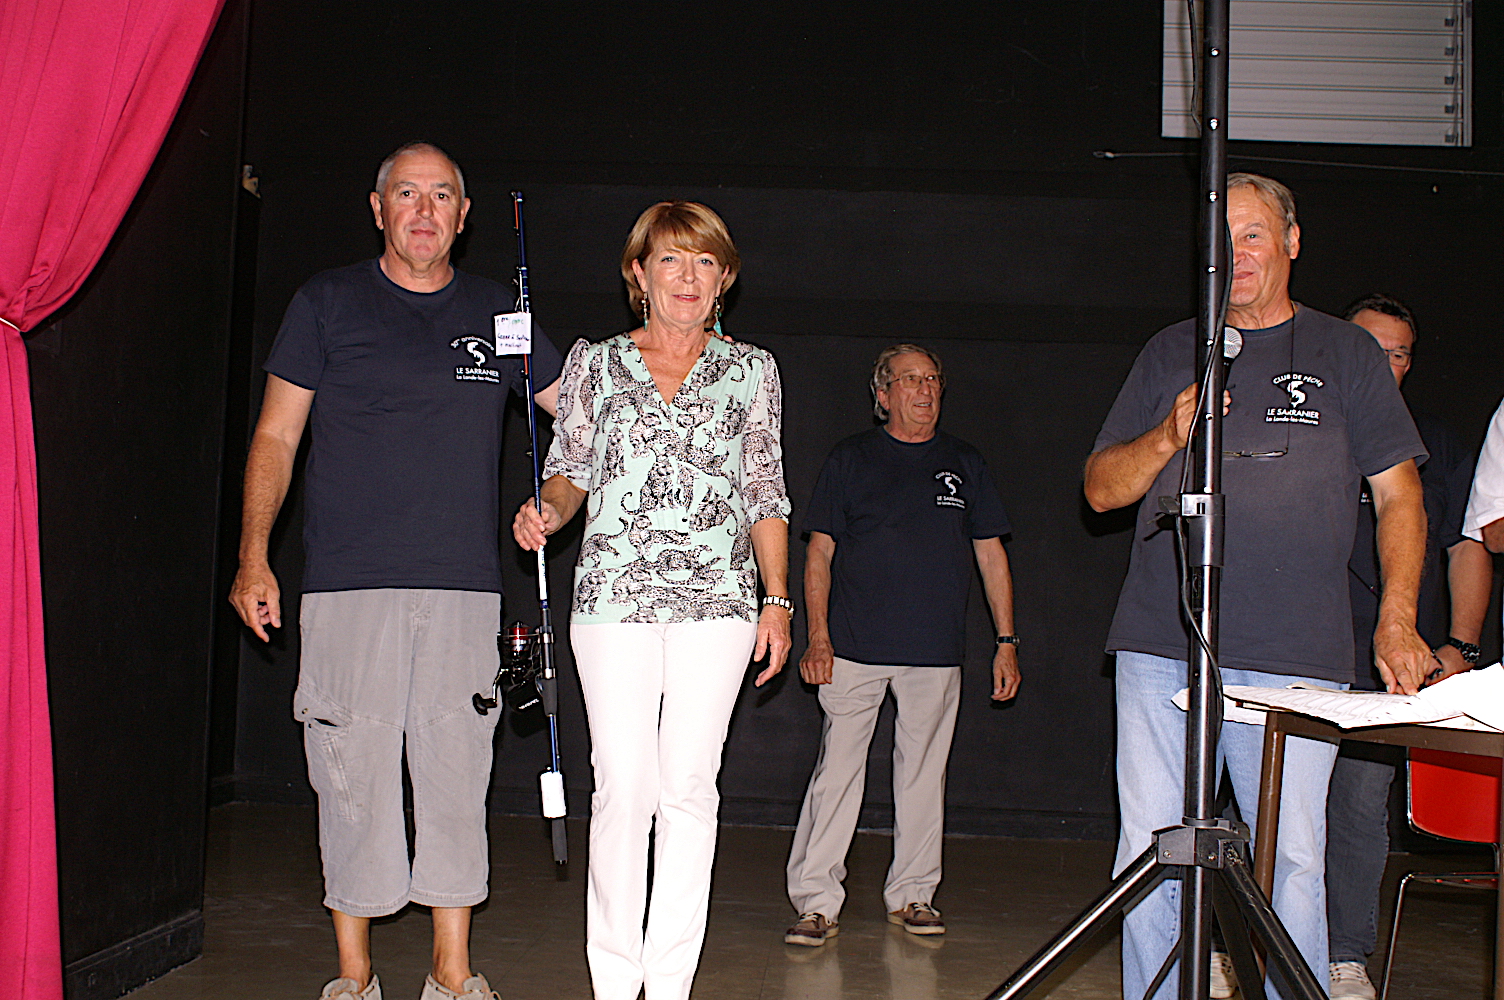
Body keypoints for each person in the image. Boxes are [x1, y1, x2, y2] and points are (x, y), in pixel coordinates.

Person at [1083, 173, 1431, 1000]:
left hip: (1294, 651)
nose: (1236, 253)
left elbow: (1401, 496)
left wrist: (1397, 620)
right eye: (1222, 237)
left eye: (1253, 234)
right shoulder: (1171, 348)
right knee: (1152, 848)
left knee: (1291, 856)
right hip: (1163, 645)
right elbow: (1100, 489)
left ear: (1292, 243)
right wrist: (1170, 432)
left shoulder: (1347, 353)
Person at [229, 142, 562, 1000]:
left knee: (457, 770)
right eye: (405, 194)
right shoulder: (327, 302)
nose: (423, 209)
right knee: (351, 772)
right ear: (377, 210)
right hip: (347, 587)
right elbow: (275, 436)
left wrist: (561, 497)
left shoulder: (501, 314)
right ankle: (354, 977)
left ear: (465, 214)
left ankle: (453, 975)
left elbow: (588, 417)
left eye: (441, 195)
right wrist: (253, 555)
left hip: (463, 590)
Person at [512, 201, 792, 1000]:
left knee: (689, 791)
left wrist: (780, 601)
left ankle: (668, 985)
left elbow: (766, 491)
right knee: (623, 789)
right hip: (612, 601)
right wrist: (550, 511)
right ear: (639, 275)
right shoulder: (596, 364)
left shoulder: (752, 370)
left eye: (705, 263)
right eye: (670, 261)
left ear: (724, 279)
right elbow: (570, 467)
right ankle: (614, 981)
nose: (688, 277)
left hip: (720, 605)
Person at [782, 344, 1018, 947]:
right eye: (910, 379)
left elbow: (991, 555)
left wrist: (1006, 641)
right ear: (882, 394)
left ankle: (914, 894)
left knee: (922, 776)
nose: (925, 389)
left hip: (934, 652)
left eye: (933, 379)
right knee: (838, 774)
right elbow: (819, 553)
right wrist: (817, 635)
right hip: (852, 649)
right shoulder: (850, 459)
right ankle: (816, 902)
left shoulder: (964, 462)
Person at [1324, 295, 1492, 1000]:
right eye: (1371, 346)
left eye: (1398, 352)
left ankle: (1343, 955)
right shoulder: (1308, 427)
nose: (1384, 363)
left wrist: (1461, 644)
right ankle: (1241, 942)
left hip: (1390, 668)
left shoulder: (1437, 441)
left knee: (1362, 808)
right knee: (1265, 801)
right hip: (1297, 653)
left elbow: (1466, 544)